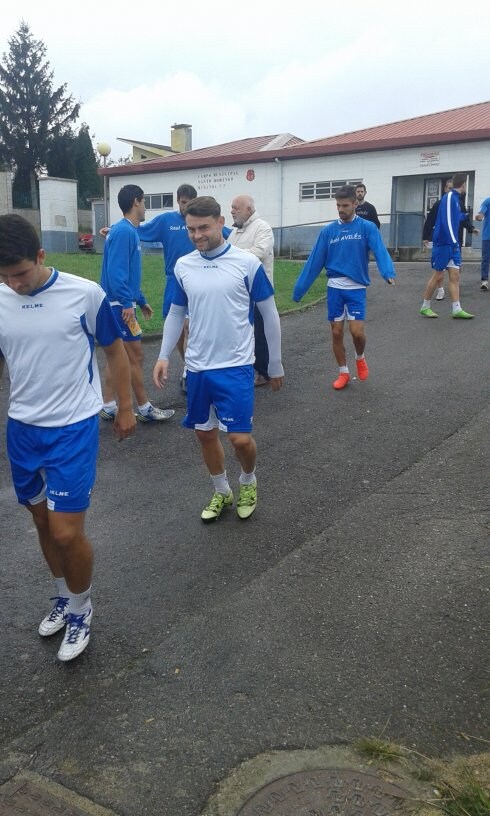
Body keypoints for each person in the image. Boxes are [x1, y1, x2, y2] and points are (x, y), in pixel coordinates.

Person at [0, 214, 136, 662]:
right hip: (23, 427)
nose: (14, 284)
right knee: (41, 523)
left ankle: (82, 608)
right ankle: (63, 596)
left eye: (19, 273)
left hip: (73, 427)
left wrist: (126, 409)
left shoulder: (83, 293)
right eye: (4, 276)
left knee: (65, 531)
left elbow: (114, 351)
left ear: (40, 257)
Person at [152, 196, 284, 523]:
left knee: (239, 438)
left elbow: (270, 315)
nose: (197, 235)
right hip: (197, 368)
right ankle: (222, 491)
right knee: (205, 434)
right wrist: (163, 355)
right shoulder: (184, 265)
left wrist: (274, 364)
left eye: (204, 228)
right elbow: (176, 313)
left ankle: (248, 481)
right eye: (191, 229)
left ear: (221, 222)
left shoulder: (246, 264)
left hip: (236, 366)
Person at [292, 185, 395, 390]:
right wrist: (299, 290)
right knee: (337, 332)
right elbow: (314, 262)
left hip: (356, 288)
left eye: (345, 205)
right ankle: (343, 372)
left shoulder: (367, 227)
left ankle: (360, 356)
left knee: (357, 333)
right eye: (338, 205)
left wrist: (388, 272)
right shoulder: (328, 231)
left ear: (355, 204)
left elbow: (380, 251)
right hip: (335, 288)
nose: (341, 209)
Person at [100, 184, 175, 422]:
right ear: (135, 202)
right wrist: (127, 304)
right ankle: (144, 408)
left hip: (118, 303)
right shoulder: (124, 232)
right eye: (143, 202)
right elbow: (116, 273)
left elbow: (128, 273)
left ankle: (109, 405)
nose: (145, 208)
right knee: (135, 355)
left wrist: (140, 300)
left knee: (118, 355)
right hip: (117, 305)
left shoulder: (126, 231)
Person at [136, 183, 197, 392]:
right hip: (174, 280)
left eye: (189, 203)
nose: (185, 207)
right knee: (178, 328)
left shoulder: (197, 221)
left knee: (190, 326)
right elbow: (139, 228)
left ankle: (189, 371)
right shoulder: (166, 221)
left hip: (197, 279)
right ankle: (187, 363)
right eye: (182, 203)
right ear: (177, 201)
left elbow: (228, 234)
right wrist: (114, 229)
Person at [228, 195, 275, 387]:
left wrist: (232, 257)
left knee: (261, 333)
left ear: (248, 209)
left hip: (259, 291)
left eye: (235, 208)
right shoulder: (235, 232)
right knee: (242, 331)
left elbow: (259, 253)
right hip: (239, 292)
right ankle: (245, 366)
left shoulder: (263, 228)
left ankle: (264, 371)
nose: (232, 211)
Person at [419, 173, 474, 319]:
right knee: (438, 275)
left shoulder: (456, 200)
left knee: (455, 276)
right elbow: (447, 221)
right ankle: (425, 306)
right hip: (445, 243)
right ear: (463, 184)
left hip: (453, 244)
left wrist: (470, 226)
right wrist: (452, 240)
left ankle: (456, 309)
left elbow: (457, 218)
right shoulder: (449, 197)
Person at [475, 195, 490, 290]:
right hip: (487, 235)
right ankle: (484, 281)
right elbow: (481, 214)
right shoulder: (487, 201)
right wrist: (479, 217)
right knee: (485, 259)